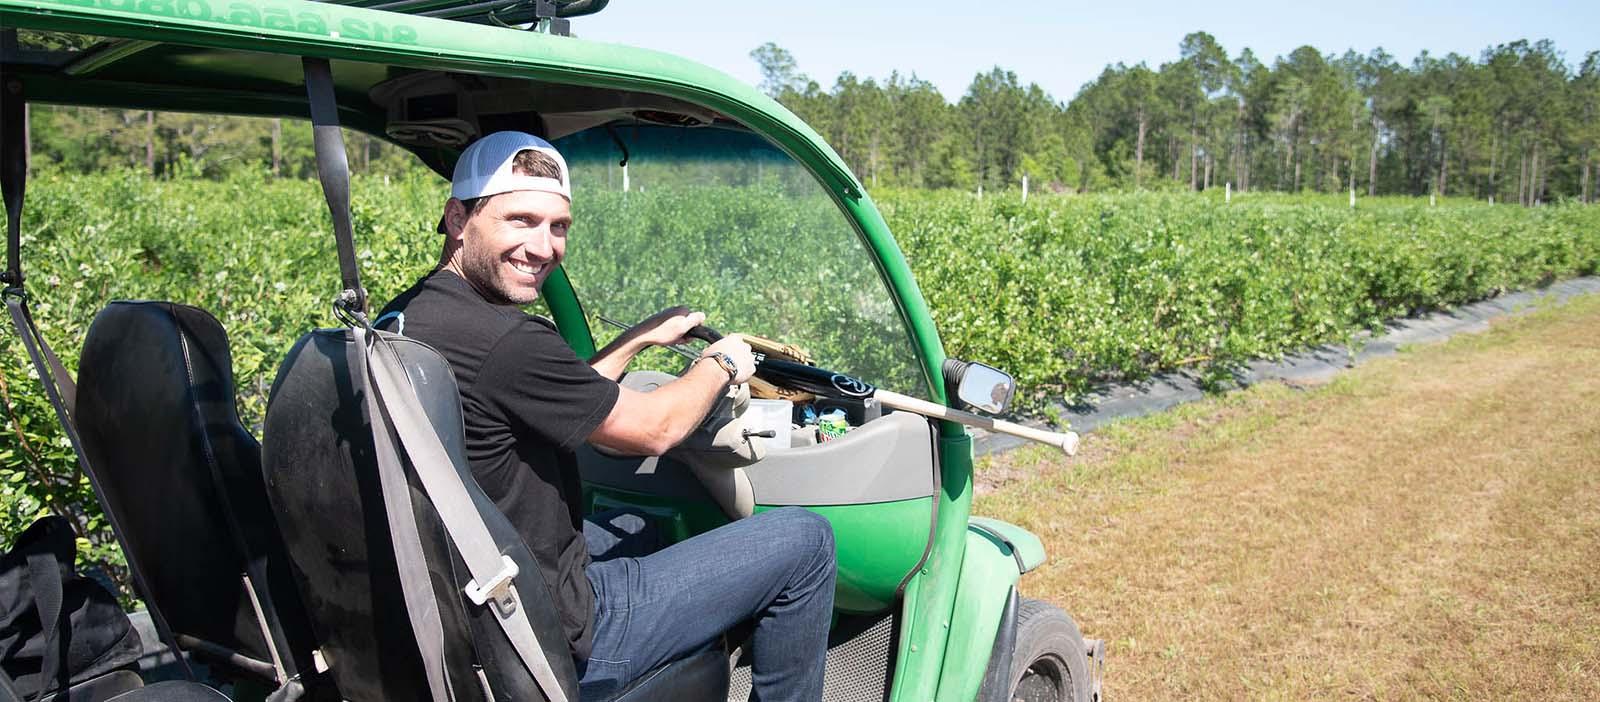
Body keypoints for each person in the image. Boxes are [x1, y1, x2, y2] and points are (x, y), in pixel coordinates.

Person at [377, 130, 835, 701]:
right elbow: (654, 429)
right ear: (457, 219)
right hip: (552, 631)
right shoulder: (508, 341)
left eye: (558, 226)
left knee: (640, 525)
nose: (543, 247)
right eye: (520, 220)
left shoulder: (409, 316)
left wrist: (635, 342)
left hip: (471, 596)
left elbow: (552, 393)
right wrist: (723, 360)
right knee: (806, 540)